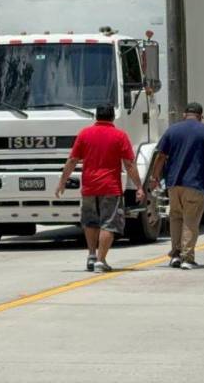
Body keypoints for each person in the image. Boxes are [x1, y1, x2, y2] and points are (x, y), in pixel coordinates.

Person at [56, 104, 144, 273]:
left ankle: (91, 255)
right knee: (108, 224)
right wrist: (139, 186)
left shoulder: (85, 134)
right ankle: (101, 261)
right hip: (110, 187)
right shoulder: (120, 136)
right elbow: (129, 164)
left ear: (96, 116)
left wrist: (62, 182)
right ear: (112, 117)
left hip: (89, 187)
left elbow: (72, 160)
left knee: (90, 221)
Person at [149, 102, 204, 270]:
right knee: (190, 221)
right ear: (201, 116)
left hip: (174, 185)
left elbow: (160, 156)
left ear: (184, 115)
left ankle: (175, 255)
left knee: (175, 218)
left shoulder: (172, 130)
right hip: (195, 184)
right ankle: (187, 258)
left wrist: (154, 177)